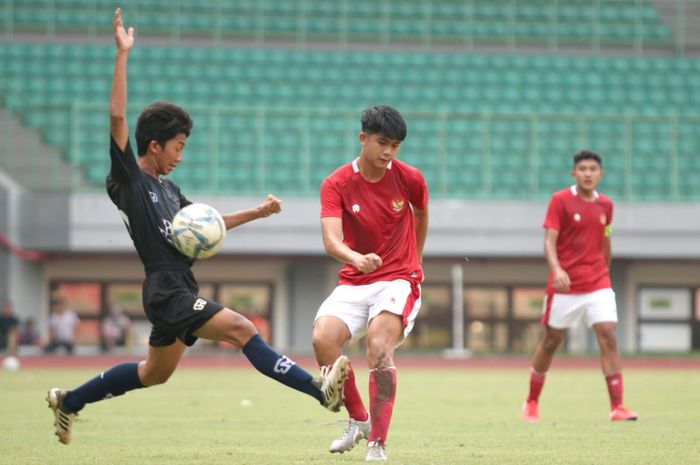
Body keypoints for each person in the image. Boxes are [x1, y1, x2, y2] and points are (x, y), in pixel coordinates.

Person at [46, 8, 348, 446]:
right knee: (244, 329)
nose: (181, 155)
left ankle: (69, 400)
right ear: (154, 145)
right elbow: (115, 119)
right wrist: (122, 55)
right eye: (179, 146)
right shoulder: (130, 180)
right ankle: (319, 390)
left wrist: (256, 213)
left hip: (178, 285)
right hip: (165, 288)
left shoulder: (171, 190)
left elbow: (210, 225)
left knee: (153, 373)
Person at [311, 106, 429, 461]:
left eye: (395, 145)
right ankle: (359, 420)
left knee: (379, 346)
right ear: (363, 139)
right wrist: (355, 259)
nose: (388, 152)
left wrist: (415, 262)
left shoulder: (410, 178)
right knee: (322, 340)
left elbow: (421, 213)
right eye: (382, 143)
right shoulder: (336, 183)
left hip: (398, 278)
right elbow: (331, 240)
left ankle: (377, 443)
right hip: (355, 277)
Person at [522, 150, 638, 423]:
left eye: (593, 169)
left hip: (598, 282)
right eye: (582, 169)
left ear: (601, 174)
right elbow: (550, 241)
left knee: (609, 336)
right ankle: (531, 402)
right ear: (574, 173)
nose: (588, 173)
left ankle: (617, 407)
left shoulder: (606, 206)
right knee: (551, 341)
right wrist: (556, 269)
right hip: (565, 286)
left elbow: (606, 240)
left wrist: (603, 273)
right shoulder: (560, 201)